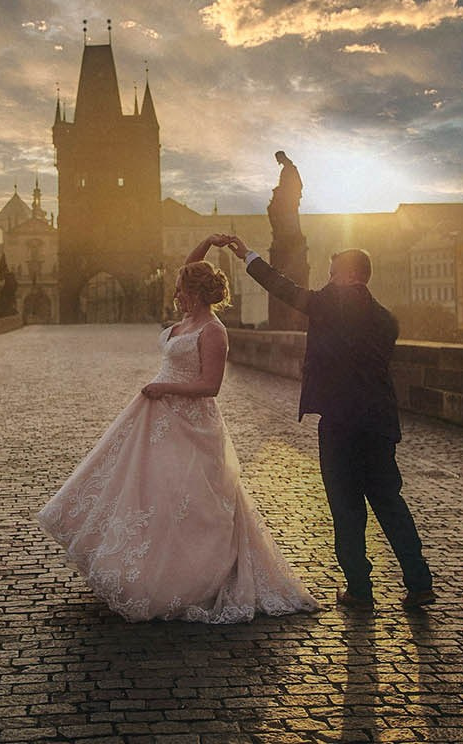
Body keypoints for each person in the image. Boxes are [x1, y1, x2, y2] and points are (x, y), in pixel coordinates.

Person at [37, 234, 319, 623]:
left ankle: (183, 577)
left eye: (183, 290)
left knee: (183, 498)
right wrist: (208, 242)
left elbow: (210, 387)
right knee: (144, 491)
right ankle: (139, 565)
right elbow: (187, 268)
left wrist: (164, 387)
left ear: (197, 294)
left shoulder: (214, 331)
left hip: (191, 424)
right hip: (156, 417)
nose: (176, 294)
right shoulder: (187, 320)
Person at [224, 236, 435, 609]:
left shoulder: (327, 305)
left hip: (341, 421)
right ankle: (419, 583)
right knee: (390, 502)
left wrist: (248, 256)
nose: (328, 279)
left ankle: (359, 589)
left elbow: (283, 288)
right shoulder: (387, 319)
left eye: (333, 272)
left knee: (346, 506)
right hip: (380, 421)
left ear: (350, 275)